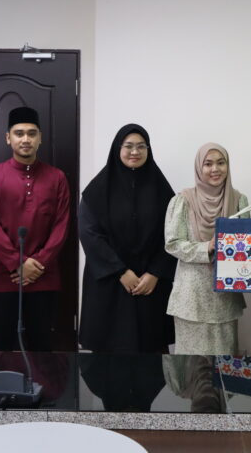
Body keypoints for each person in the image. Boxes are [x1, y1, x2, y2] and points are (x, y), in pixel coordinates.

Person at [0, 107, 70, 351]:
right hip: (2, 276)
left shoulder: (57, 178)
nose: (25, 139)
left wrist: (37, 263)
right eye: (19, 133)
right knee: (1, 347)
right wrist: (17, 262)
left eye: (31, 133)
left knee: (42, 348)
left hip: (43, 276)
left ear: (40, 138)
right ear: (8, 138)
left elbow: (61, 225)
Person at [79, 124, 176, 353]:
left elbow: (173, 234)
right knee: (108, 355)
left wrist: (155, 273)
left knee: (150, 353)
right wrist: (120, 271)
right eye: (129, 146)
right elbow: (90, 234)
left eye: (141, 146)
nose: (135, 152)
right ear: (117, 148)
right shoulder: (97, 190)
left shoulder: (162, 190)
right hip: (110, 284)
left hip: (149, 285)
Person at [165, 143, 248, 355]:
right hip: (191, 299)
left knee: (223, 365)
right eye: (208, 164)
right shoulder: (183, 200)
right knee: (191, 366)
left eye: (221, 163)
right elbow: (172, 243)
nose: (215, 169)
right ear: (198, 167)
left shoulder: (239, 201)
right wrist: (207, 247)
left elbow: (246, 247)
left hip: (225, 299)